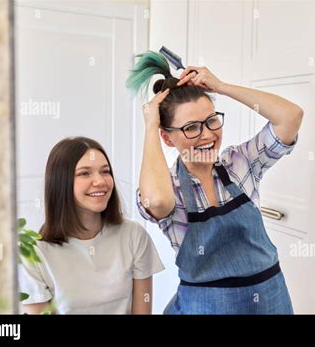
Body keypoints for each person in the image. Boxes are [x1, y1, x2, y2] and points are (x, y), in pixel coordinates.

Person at [126, 51, 303, 314]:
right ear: (167, 138)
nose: (207, 134)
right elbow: (158, 201)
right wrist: (151, 126)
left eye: (211, 121)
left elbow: (291, 116)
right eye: (191, 128)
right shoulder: (168, 185)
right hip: (206, 307)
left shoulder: (239, 162)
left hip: (271, 299)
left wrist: (222, 87)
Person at [19, 137, 164, 314]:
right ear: (61, 182)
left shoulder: (133, 236)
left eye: (105, 171)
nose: (100, 181)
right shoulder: (33, 253)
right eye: (84, 173)